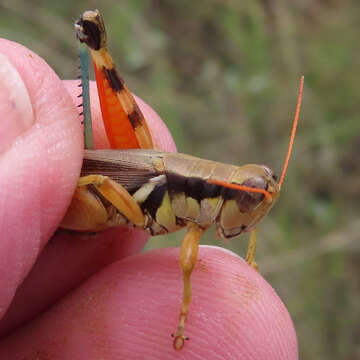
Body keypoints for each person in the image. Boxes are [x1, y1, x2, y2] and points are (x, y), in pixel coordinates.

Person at [0, 39, 298, 359]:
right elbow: (102, 183)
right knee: (102, 180)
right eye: (248, 202)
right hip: (76, 189)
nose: (251, 213)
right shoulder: (199, 208)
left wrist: (250, 260)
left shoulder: (220, 204)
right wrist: (183, 318)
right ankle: (92, 41)